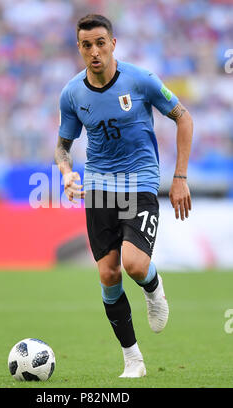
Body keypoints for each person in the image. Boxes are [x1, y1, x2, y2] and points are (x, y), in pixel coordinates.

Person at [54, 14, 193, 378]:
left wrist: (179, 177)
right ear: (80, 49)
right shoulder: (72, 93)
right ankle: (133, 359)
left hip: (141, 181)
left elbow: (184, 118)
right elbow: (62, 147)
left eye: (101, 42)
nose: (95, 51)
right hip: (99, 186)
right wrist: (68, 173)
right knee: (108, 274)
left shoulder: (140, 80)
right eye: (87, 45)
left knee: (134, 265)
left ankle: (153, 285)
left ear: (113, 43)